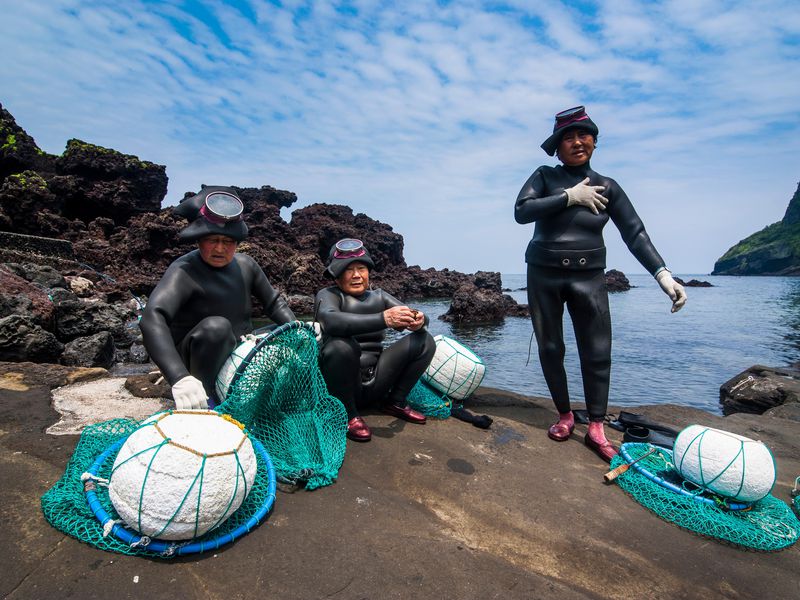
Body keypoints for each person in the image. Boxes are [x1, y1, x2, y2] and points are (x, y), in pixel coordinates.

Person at [514, 106, 686, 462]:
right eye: (568, 137)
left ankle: (595, 426)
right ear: (557, 146)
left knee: (597, 352)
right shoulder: (545, 176)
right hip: (543, 272)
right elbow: (522, 210)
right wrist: (568, 197)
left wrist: (662, 274)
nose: (577, 142)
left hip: (588, 276)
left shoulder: (608, 186)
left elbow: (635, 233)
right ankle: (563, 415)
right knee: (550, 348)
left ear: (594, 141)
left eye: (584, 135)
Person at [140, 186, 296, 410]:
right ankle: (209, 399)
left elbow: (273, 303)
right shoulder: (184, 270)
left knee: (281, 335)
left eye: (228, 241)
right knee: (217, 327)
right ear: (199, 239)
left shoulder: (246, 265)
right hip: (197, 360)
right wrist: (178, 376)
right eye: (212, 240)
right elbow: (152, 318)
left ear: (237, 242)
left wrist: (297, 328)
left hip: (239, 353)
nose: (220, 249)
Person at [315, 239, 436, 442]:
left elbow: (414, 317)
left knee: (425, 341)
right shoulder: (329, 295)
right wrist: (384, 319)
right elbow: (331, 321)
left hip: (376, 379)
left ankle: (395, 401)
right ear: (336, 276)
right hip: (343, 385)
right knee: (341, 346)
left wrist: (419, 320)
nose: (356, 275)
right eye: (348, 270)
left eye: (361, 268)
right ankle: (347, 414)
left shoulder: (380, 297)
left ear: (368, 271)